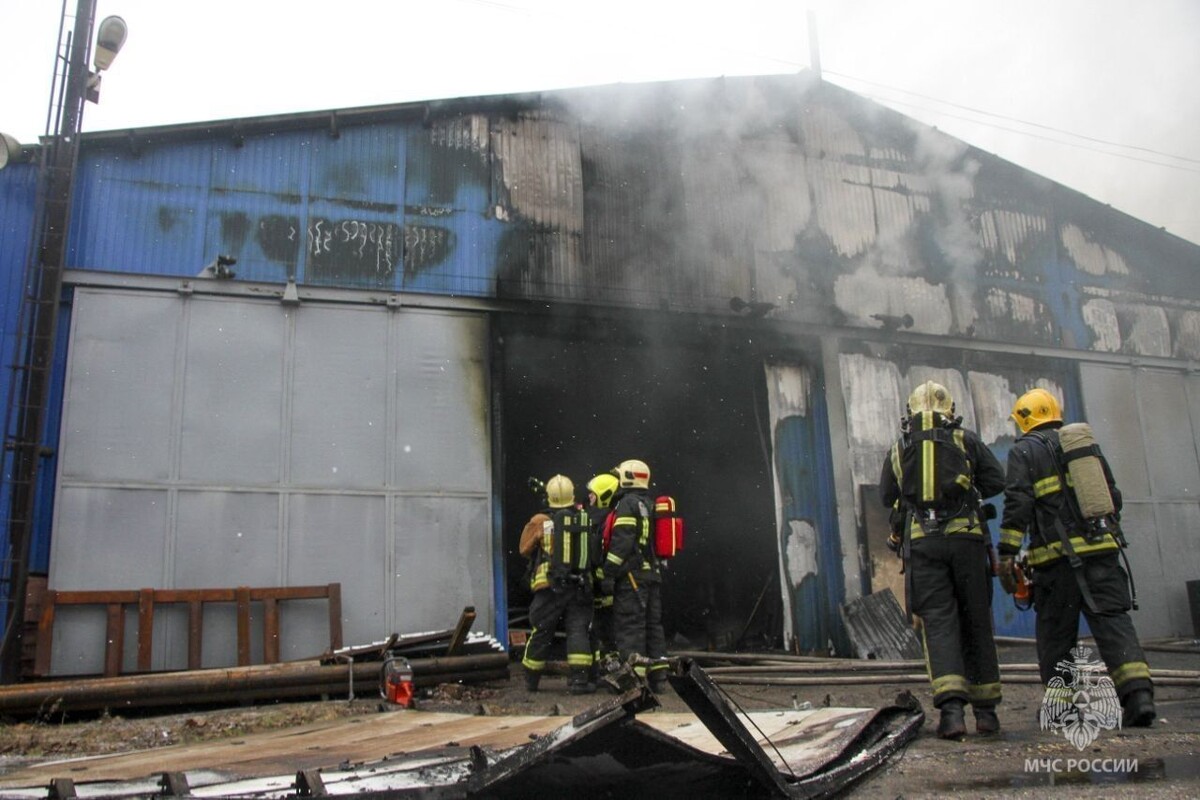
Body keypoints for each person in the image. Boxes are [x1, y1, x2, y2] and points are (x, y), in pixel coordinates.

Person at [997, 388, 1155, 727]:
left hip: (1057, 562)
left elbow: (1018, 503)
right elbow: (1113, 496)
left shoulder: (1024, 451)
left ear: (1024, 419)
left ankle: (1061, 708)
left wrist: (1007, 553)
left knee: (1056, 634)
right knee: (1113, 623)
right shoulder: (1084, 446)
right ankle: (1139, 697)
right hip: (1102, 553)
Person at [880, 381, 1006, 739]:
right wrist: (967, 487)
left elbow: (887, 496)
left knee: (938, 623)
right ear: (950, 410)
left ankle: (952, 715)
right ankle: (986, 715)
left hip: (924, 544)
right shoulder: (966, 440)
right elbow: (997, 481)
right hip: (967, 541)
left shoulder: (899, 447)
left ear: (910, 412)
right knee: (976, 619)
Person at [519, 474, 596, 694]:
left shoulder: (541, 521)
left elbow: (524, 549)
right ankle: (579, 681)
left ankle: (531, 680)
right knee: (578, 631)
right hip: (579, 585)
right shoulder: (582, 518)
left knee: (542, 630)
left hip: (549, 587)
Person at [599, 458, 669, 692]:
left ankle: (633, 681)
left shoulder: (627, 504)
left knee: (631, 626)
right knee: (653, 625)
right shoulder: (649, 503)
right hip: (652, 575)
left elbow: (622, 542)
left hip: (632, 577)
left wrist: (608, 572)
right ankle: (659, 677)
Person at [585, 471, 621, 684]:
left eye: (593, 494)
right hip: (605, 585)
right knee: (604, 629)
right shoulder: (610, 517)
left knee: (601, 629)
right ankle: (608, 671)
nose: (589, 497)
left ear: (604, 495)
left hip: (599, 585)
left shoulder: (598, 519)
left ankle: (601, 673)